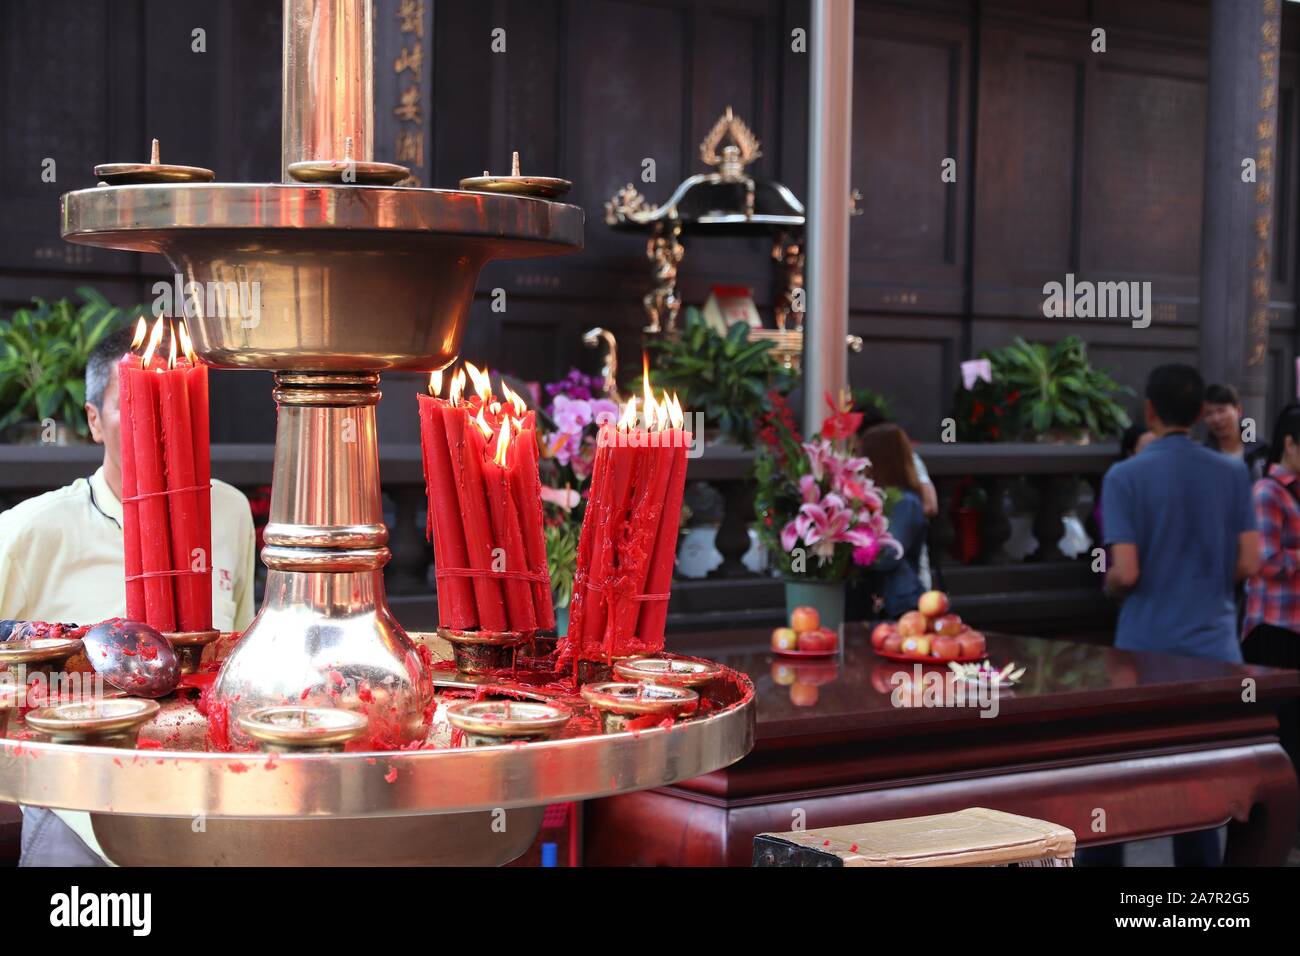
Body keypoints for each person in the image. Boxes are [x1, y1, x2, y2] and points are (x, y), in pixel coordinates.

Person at [0, 325, 258, 866]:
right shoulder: (32, 530)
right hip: (79, 804)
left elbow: (239, 642)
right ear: (94, 421)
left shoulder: (228, 511)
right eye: (131, 402)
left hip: (204, 789)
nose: (157, 421)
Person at [1099, 364, 1260, 867]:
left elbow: (1125, 572)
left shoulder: (1125, 475)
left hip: (1144, 651)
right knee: (1197, 790)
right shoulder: (1233, 472)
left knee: (1120, 782)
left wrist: (1110, 585)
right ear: (1197, 413)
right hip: (1215, 651)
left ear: (1149, 409)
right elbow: (1250, 563)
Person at [1241, 403, 1300, 782]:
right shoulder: (1268, 491)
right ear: (1291, 444)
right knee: (1282, 734)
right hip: (1274, 631)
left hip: (1293, 629)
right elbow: (1263, 560)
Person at [847, 423, 928, 619]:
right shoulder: (879, 497)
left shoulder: (904, 503)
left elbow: (890, 555)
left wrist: (853, 550)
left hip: (897, 605)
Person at [1204, 383, 1268, 481]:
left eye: (1221, 411)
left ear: (1238, 410)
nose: (1216, 419)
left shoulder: (1260, 451)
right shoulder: (1204, 455)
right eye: (1209, 413)